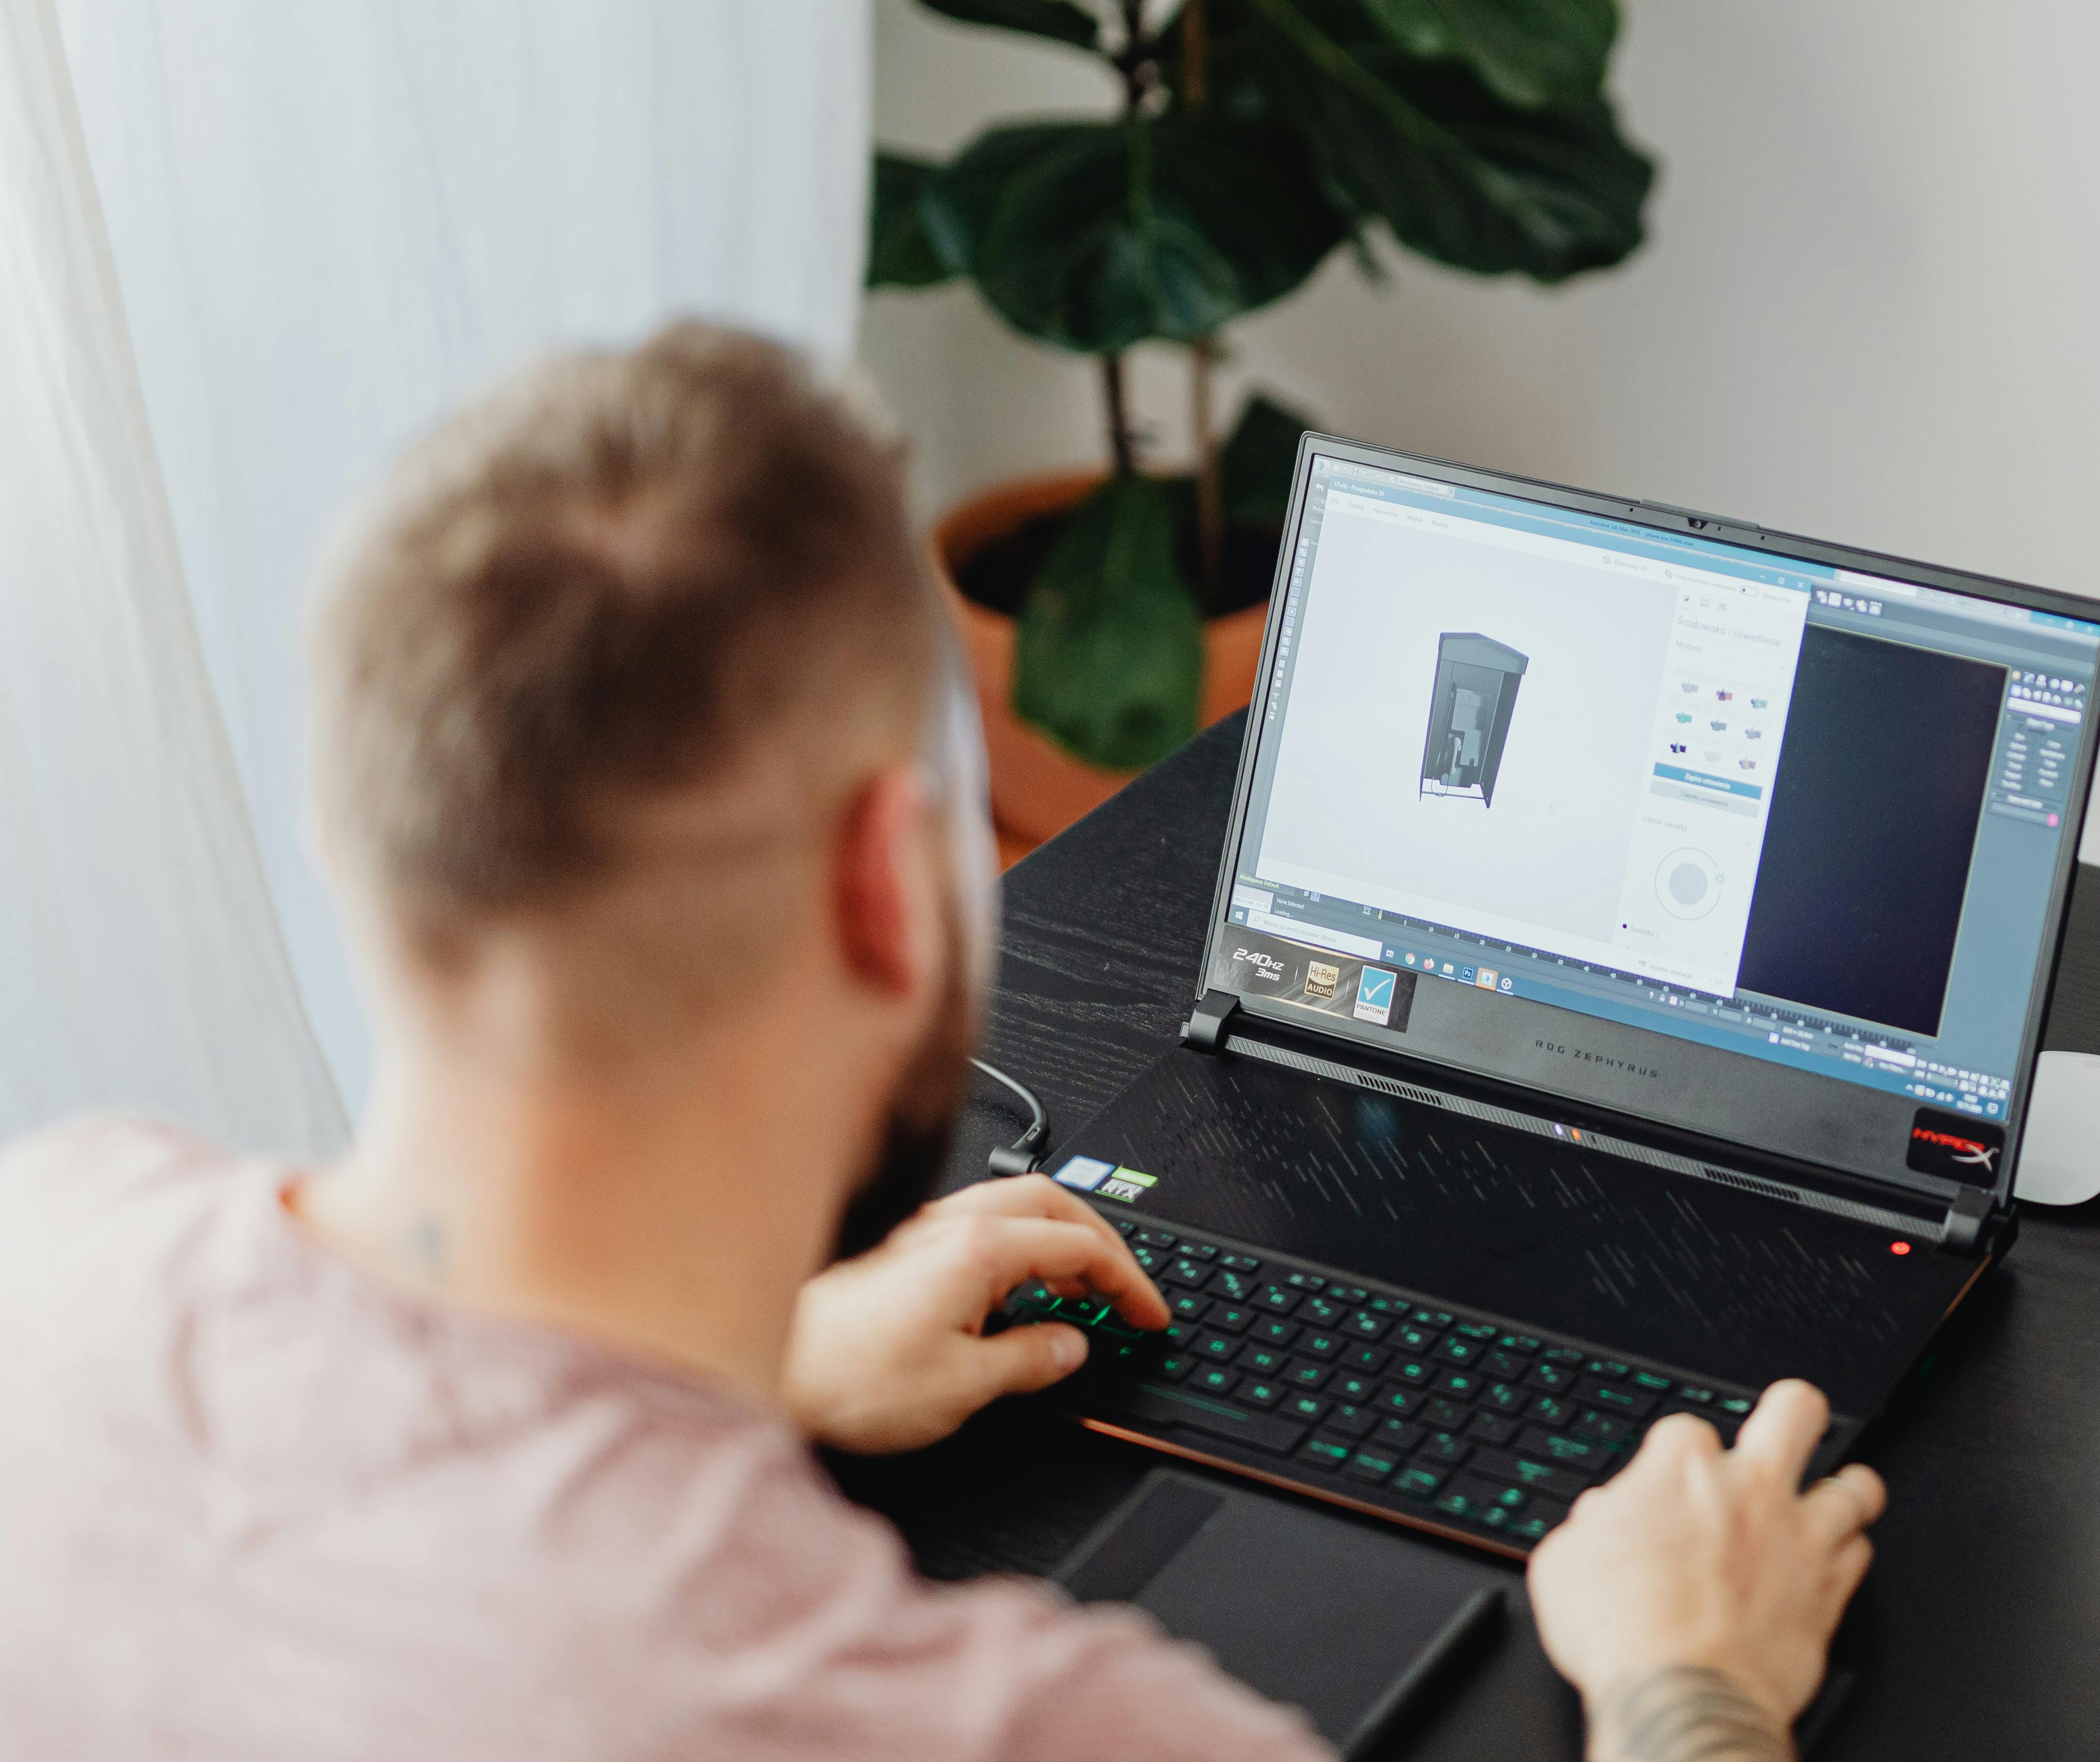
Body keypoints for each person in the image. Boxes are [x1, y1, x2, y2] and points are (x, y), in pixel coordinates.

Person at [0, 324, 1878, 1760]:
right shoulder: (979, 1724)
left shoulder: (52, 1246)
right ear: (894, 889)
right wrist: (1687, 1682)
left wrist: (758, 1365)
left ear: (344, 836)